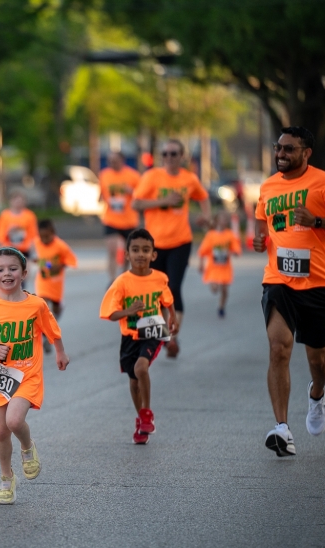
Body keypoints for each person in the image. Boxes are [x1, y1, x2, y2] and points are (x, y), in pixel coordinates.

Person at [254, 127, 325, 457]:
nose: (281, 154)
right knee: (278, 348)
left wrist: (317, 222)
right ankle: (282, 429)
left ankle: (317, 393)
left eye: (289, 149)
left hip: (319, 284)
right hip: (279, 280)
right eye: (278, 148)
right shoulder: (269, 186)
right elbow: (263, 224)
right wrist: (260, 241)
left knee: (318, 359)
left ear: (306, 153)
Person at [0, 248, 69, 505]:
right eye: (0, 270)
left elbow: (52, 329)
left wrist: (60, 352)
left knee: (14, 421)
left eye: (12, 268)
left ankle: (27, 447)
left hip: (27, 372)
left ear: (24, 273)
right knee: (0, 430)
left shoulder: (36, 304)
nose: (6, 273)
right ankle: (6, 478)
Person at [131, 139, 210, 358]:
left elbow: (203, 197)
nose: (168, 158)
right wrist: (163, 201)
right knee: (154, 294)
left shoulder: (189, 178)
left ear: (181, 156)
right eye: (164, 154)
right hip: (153, 245)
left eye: (173, 154)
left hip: (180, 242)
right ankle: (156, 339)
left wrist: (207, 216)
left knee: (173, 288)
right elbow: (135, 204)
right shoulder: (152, 177)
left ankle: (172, 338)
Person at [99, 229, 178, 445]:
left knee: (141, 368)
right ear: (127, 255)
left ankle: (146, 415)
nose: (140, 254)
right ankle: (141, 420)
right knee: (133, 382)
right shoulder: (122, 282)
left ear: (153, 255)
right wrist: (129, 311)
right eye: (135, 250)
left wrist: (172, 318)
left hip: (152, 332)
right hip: (130, 337)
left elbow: (168, 299)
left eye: (145, 250)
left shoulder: (160, 278)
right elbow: (110, 313)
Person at [32, 219, 78, 353]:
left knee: (56, 309)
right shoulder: (36, 243)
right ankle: (45, 331)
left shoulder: (60, 246)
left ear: (53, 233)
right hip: (43, 281)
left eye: (47, 236)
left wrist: (61, 265)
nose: (44, 240)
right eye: (42, 237)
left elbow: (72, 260)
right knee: (43, 304)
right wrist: (36, 260)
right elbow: (33, 255)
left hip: (56, 283)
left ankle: (49, 328)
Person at [99, 152, 141, 282]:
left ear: (122, 160)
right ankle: (112, 279)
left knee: (127, 252)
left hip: (129, 220)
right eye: (110, 161)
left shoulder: (133, 176)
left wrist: (131, 192)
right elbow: (101, 193)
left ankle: (123, 275)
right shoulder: (104, 175)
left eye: (115, 161)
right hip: (111, 218)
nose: (112, 164)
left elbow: (142, 195)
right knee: (112, 250)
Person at [197, 210, 242, 318]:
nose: (224, 221)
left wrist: (235, 252)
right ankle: (213, 284)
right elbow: (202, 251)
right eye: (222, 219)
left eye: (226, 219)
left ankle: (221, 307)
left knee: (225, 290)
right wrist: (201, 264)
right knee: (214, 288)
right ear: (217, 221)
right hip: (213, 267)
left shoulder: (230, 235)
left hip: (225, 267)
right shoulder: (211, 235)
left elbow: (236, 248)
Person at [0, 192, 39, 288]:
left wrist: (33, 246)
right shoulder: (5, 216)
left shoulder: (29, 216)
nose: (18, 203)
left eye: (21, 201)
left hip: (24, 248)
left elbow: (33, 233)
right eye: (16, 201)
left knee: (24, 270)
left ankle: (22, 287)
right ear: (11, 201)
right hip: (9, 248)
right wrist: (9, 232)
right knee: (9, 269)